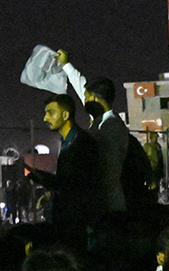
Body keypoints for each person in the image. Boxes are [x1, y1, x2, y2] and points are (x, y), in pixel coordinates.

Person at [55, 49, 128, 212]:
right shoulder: (100, 119)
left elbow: (106, 169)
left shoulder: (112, 126)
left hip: (108, 204)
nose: (84, 100)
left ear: (94, 98)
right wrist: (66, 64)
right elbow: (80, 85)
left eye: (87, 97)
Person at [24, 93, 99, 247]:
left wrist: (48, 180)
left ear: (65, 115)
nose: (45, 118)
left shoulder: (82, 143)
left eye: (51, 113)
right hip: (70, 221)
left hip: (77, 224)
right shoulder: (69, 141)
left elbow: (78, 184)